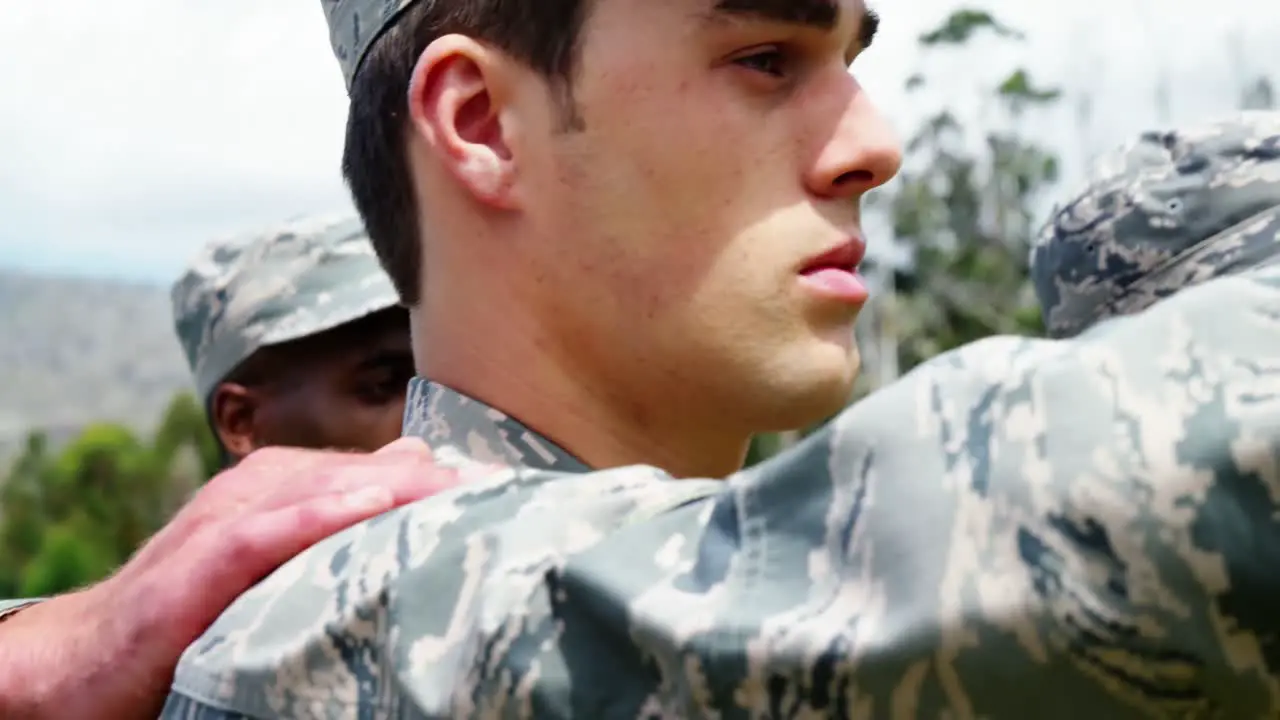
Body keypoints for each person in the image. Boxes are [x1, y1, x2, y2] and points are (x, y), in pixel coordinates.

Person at [153, 0, 1280, 709]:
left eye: (844, 57)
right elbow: (1105, 510)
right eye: (762, 56)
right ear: (484, 123)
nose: (871, 147)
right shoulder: (367, 614)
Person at [0, 216, 453, 719]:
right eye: (384, 385)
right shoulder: (178, 662)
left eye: (438, 381)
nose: (431, 417)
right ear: (241, 422)